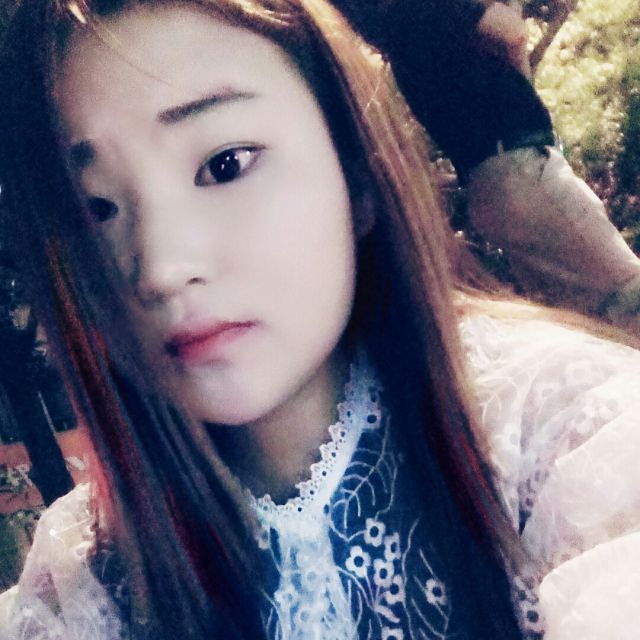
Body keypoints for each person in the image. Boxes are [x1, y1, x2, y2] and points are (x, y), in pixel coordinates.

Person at [0, 1, 639, 639]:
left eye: (225, 164)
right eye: (94, 210)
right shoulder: (87, 581)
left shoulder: (570, 438)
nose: (162, 267)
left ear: (356, 171)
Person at [334, 0, 640, 321]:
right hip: (520, 172)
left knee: (584, 319)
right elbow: (513, 33)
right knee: (628, 294)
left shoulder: (401, 37)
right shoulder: (426, 7)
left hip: (491, 185)